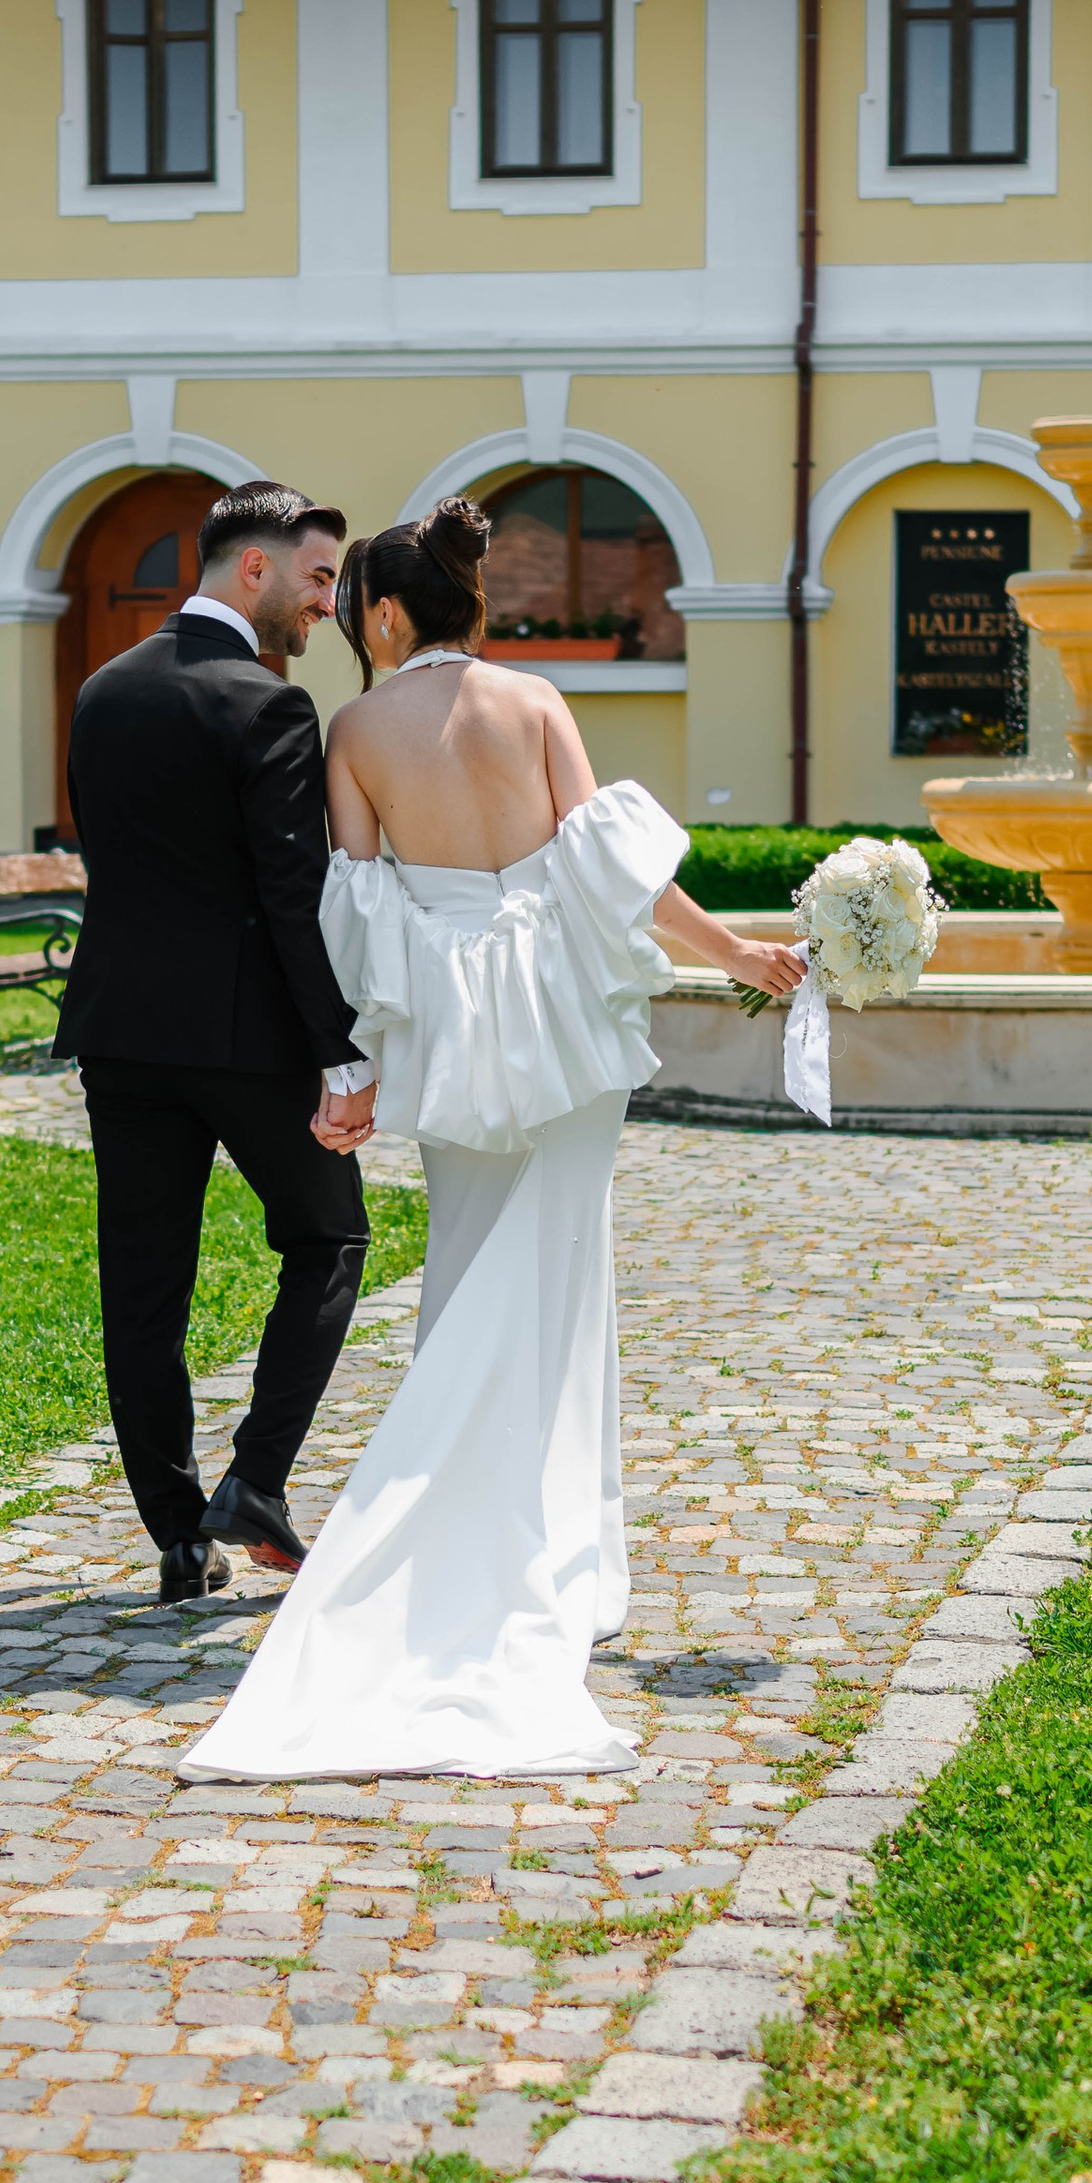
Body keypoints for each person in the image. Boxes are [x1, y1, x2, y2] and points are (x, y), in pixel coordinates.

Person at [182, 497, 804, 1781]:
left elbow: (353, 916)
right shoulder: (534, 707)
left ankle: (468, 1532)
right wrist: (741, 950)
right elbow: (614, 875)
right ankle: (562, 1557)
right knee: (569, 1281)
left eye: (357, 605)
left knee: (465, 1273)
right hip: (569, 1031)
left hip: (458, 1038)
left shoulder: (355, 727)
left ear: (389, 612)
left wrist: (349, 1071)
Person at [54, 483, 381, 1605]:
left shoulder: (100, 692)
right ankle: (256, 1480)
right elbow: (292, 899)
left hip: (122, 1038)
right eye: (319, 578)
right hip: (245, 1040)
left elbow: (119, 863)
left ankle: (176, 1537)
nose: (325, 604)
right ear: (256, 572)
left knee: (144, 1287)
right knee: (328, 1237)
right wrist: (342, 1051)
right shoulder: (269, 707)